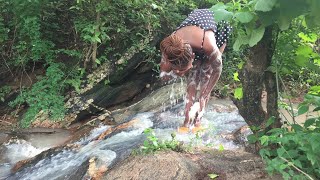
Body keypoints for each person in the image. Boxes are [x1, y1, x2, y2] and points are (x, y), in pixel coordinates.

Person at [159, 9, 232, 133]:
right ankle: (187, 122)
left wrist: (205, 94)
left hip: (217, 25)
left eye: (183, 70)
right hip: (193, 28)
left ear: (193, 56)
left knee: (206, 76)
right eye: (177, 70)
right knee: (192, 79)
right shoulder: (170, 51)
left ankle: (198, 122)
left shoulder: (209, 45)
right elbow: (163, 75)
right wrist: (171, 74)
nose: (181, 73)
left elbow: (217, 70)